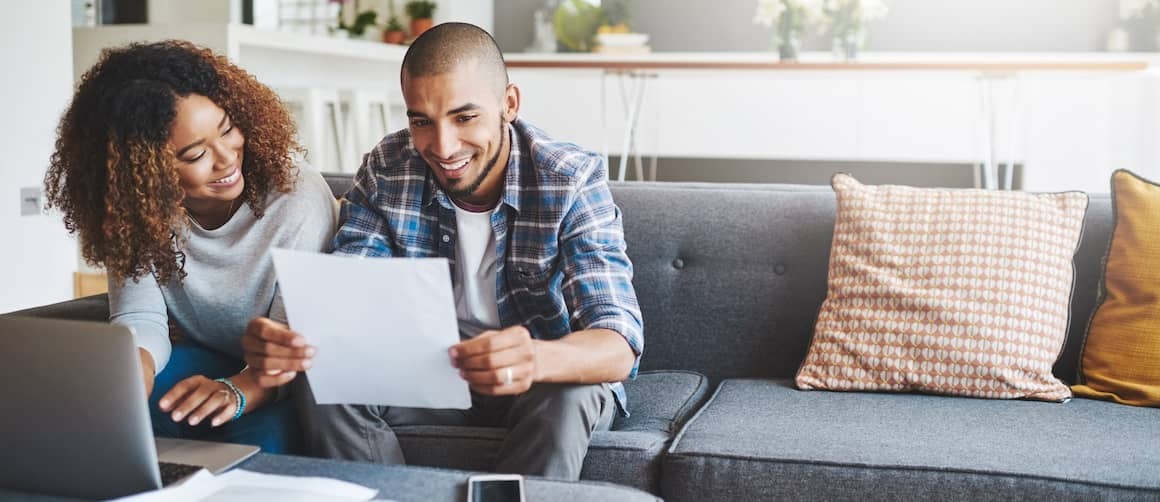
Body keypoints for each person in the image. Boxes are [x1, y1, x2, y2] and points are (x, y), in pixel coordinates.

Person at [242, 22, 643, 479]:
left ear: (508, 104)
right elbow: (351, 291)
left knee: (572, 392)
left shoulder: (569, 178)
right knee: (321, 376)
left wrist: (534, 358)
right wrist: (290, 340)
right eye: (421, 121)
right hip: (433, 378)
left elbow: (618, 342)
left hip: (541, 379)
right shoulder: (388, 169)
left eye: (464, 117)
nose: (443, 146)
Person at [44, 40, 338, 453]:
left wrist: (237, 390)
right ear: (143, 171)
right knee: (114, 420)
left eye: (228, 129)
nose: (226, 159)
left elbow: (293, 345)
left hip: (280, 380)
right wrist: (134, 368)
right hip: (203, 358)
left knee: (263, 447)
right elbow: (141, 315)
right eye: (195, 153)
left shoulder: (295, 198)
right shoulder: (135, 210)